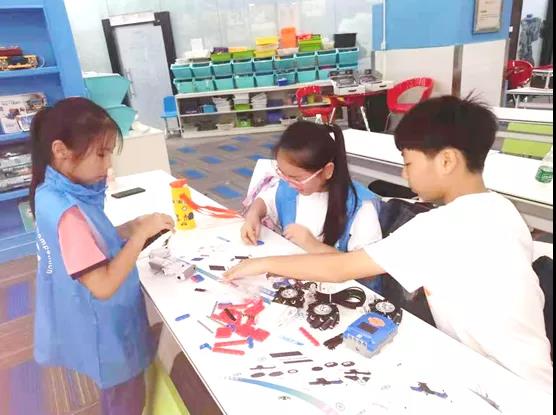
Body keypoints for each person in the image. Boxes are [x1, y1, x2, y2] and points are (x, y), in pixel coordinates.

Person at [225, 96, 554, 393]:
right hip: (524, 370)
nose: (405, 175)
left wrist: (261, 263)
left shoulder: (441, 227)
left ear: (447, 161)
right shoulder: (501, 208)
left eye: (408, 164)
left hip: (510, 389)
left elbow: (340, 268)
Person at [31, 98, 175, 414]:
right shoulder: (68, 213)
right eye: (101, 154)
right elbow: (103, 285)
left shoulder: (50, 193)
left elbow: (90, 239)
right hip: (104, 328)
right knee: (125, 396)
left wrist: (128, 227)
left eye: (109, 154)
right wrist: (139, 236)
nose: (107, 165)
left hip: (82, 314)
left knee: (117, 394)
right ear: (60, 150)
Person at [241, 121, 382, 288]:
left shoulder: (360, 207)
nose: (289, 182)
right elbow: (265, 201)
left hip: (337, 290)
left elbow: (369, 272)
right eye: (283, 174)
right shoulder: (289, 187)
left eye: (296, 178)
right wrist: (253, 215)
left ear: (327, 171)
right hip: (296, 279)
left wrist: (312, 245)